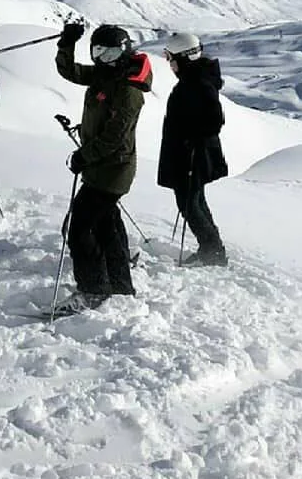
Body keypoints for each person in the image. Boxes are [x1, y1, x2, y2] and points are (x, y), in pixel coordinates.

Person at [54, 21, 152, 311]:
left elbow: (114, 136)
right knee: (107, 224)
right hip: (102, 166)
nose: (101, 60)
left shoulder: (128, 90)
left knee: (80, 229)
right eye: (97, 52)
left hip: (112, 169)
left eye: (109, 54)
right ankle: (120, 285)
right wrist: (66, 42)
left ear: (123, 52)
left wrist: (85, 155)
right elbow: (69, 71)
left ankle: (93, 289)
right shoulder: (105, 75)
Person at [158, 32, 228, 266]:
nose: (169, 63)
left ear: (184, 58)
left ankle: (212, 251)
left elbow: (214, 120)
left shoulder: (197, 83)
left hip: (193, 155)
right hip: (191, 153)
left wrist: (191, 141)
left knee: (188, 203)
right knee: (194, 200)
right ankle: (213, 249)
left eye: (171, 58)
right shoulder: (194, 80)